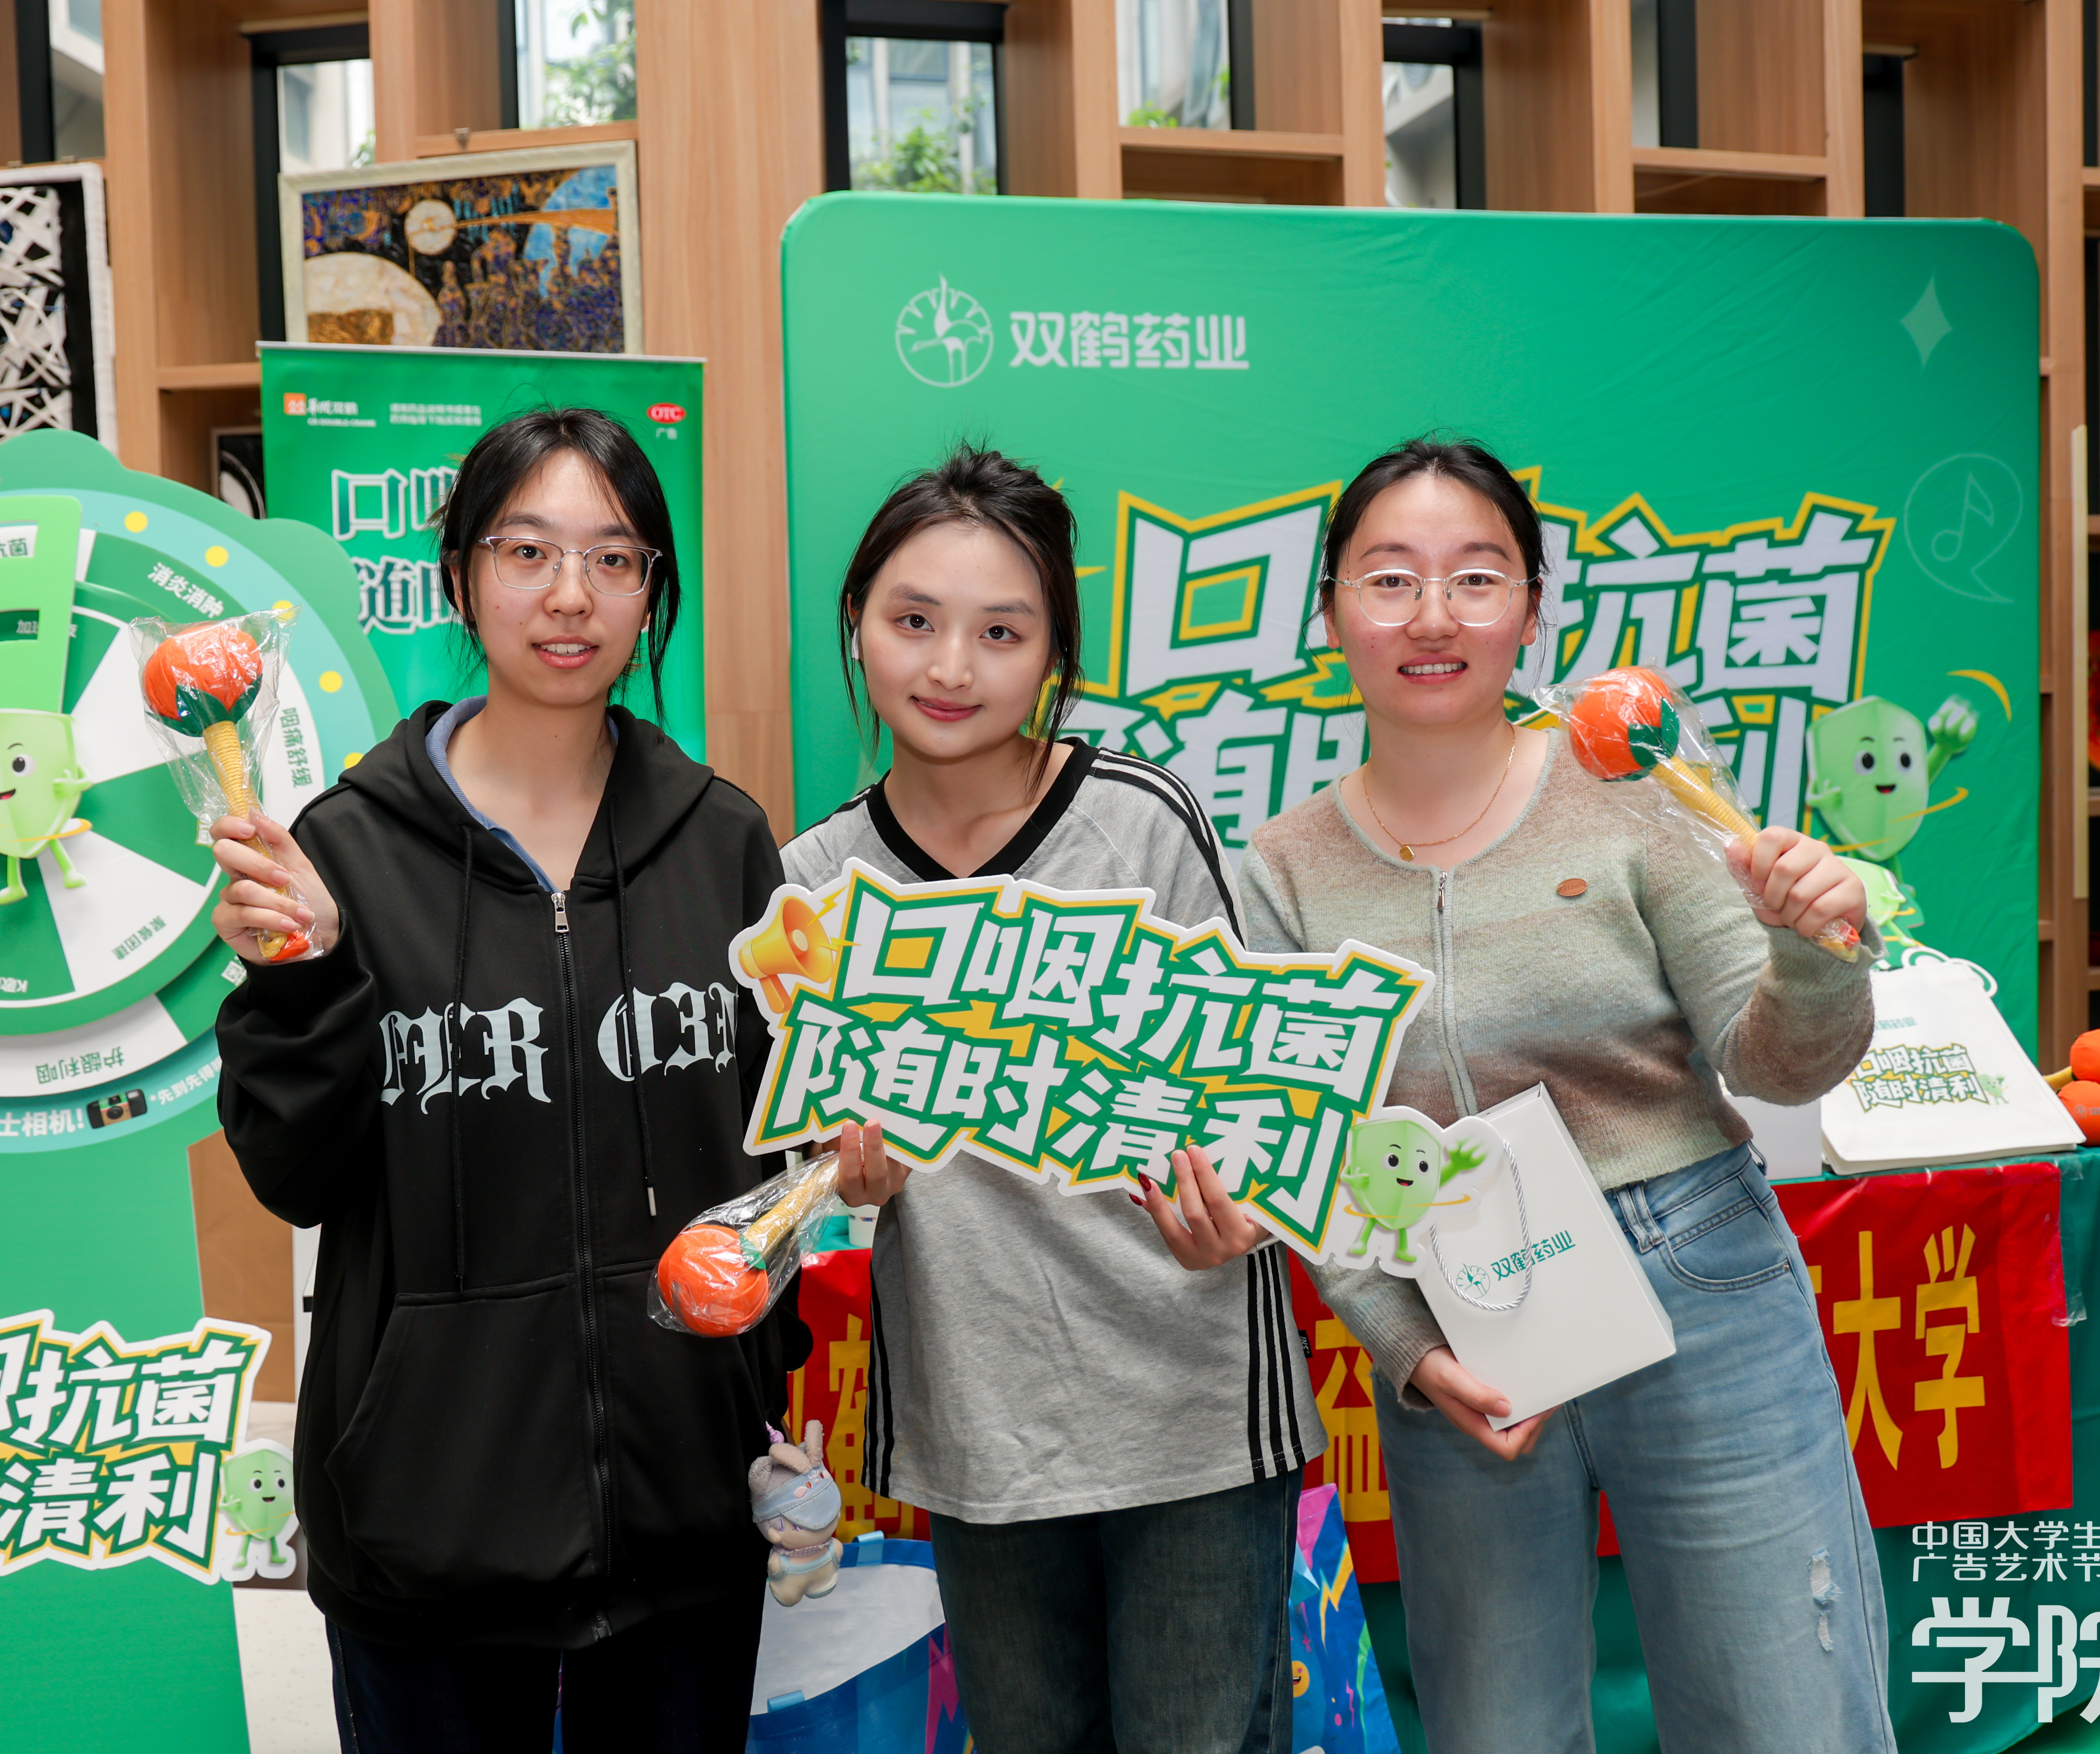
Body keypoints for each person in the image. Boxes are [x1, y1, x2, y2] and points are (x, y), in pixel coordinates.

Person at [1151, 436, 1890, 1753]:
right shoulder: (1280, 871)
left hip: (1696, 1271)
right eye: (1391, 579)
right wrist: (1407, 1347)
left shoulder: (1632, 794)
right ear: (1330, 612)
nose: (1433, 616)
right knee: (1498, 1726)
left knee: (1782, 1710)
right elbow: (1311, 1156)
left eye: (1478, 578)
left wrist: (1816, 956)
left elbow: (1775, 1062)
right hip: (1464, 1309)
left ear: (1534, 608)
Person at [211, 408, 799, 1754]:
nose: (570, 595)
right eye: (527, 550)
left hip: (685, 1517)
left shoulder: (722, 841)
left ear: (652, 589)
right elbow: (294, 1175)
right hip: (425, 1524)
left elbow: (773, 1159)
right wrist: (307, 978)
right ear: (463, 575)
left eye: (613, 557)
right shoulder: (345, 849)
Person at [781, 445, 1320, 1754]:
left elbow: (1268, 1095)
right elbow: (807, 1158)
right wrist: (843, 1177)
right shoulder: (814, 880)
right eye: (915, 621)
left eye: (1000, 632)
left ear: (1055, 656)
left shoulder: (1142, 824)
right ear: (856, 623)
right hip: (980, 1429)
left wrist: (1244, 1204)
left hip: (1189, 1415)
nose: (951, 667)